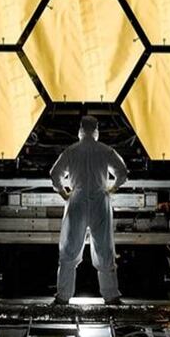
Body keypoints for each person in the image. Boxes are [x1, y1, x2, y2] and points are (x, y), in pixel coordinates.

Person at [50, 115, 128, 305]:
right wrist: (113, 188)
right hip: (100, 200)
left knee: (69, 249)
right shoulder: (105, 150)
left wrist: (63, 192)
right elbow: (122, 172)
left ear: (80, 130)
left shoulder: (71, 151)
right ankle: (111, 296)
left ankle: (63, 296)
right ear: (96, 130)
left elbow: (55, 174)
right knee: (104, 248)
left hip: (76, 200)